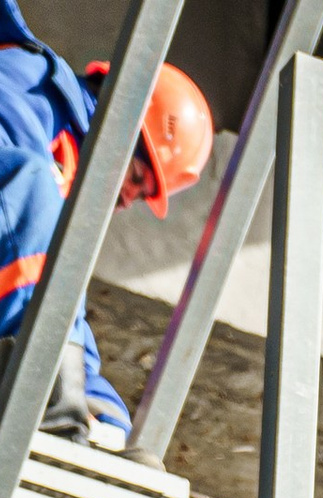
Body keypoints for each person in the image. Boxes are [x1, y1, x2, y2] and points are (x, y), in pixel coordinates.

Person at [0, 4, 211, 444]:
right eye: (136, 178)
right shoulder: (28, 80)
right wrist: (51, 390)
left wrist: (110, 424)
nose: (124, 201)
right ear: (117, 120)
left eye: (139, 197)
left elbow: (56, 302)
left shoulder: (54, 195)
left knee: (59, 293)